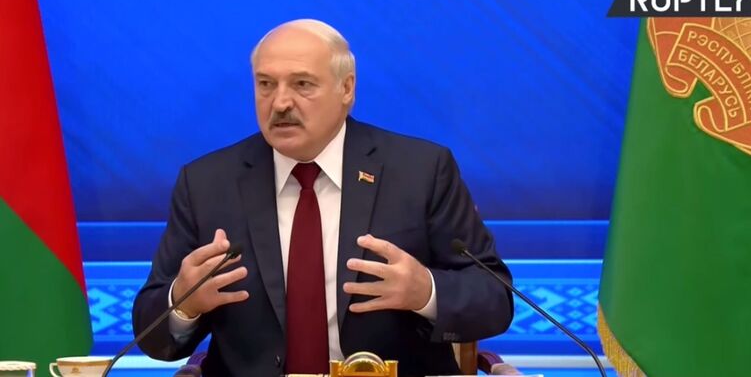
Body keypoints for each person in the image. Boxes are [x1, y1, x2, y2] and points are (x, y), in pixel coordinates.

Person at [132, 19, 513, 377]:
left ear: (346, 89)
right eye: (266, 84)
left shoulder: (421, 171)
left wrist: (425, 291)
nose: (280, 103)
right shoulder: (206, 183)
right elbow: (152, 335)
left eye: (302, 84)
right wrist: (183, 302)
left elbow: (495, 298)